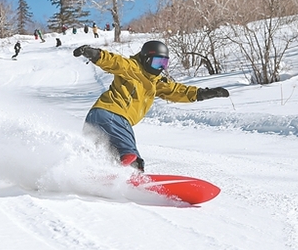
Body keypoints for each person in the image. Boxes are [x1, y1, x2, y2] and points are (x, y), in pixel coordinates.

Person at [73, 40, 229, 171]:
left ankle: (86, 173)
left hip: (96, 117)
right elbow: (115, 62)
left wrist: (203, 94)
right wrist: (96, 54)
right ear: (146, 59)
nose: (160, 68)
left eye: (164, 63)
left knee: (102, 153)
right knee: (130, 156)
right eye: (157, 63)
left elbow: (176, 91)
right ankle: (132, 175)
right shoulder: (132, 67)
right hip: (113, 115)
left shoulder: (155, 82)